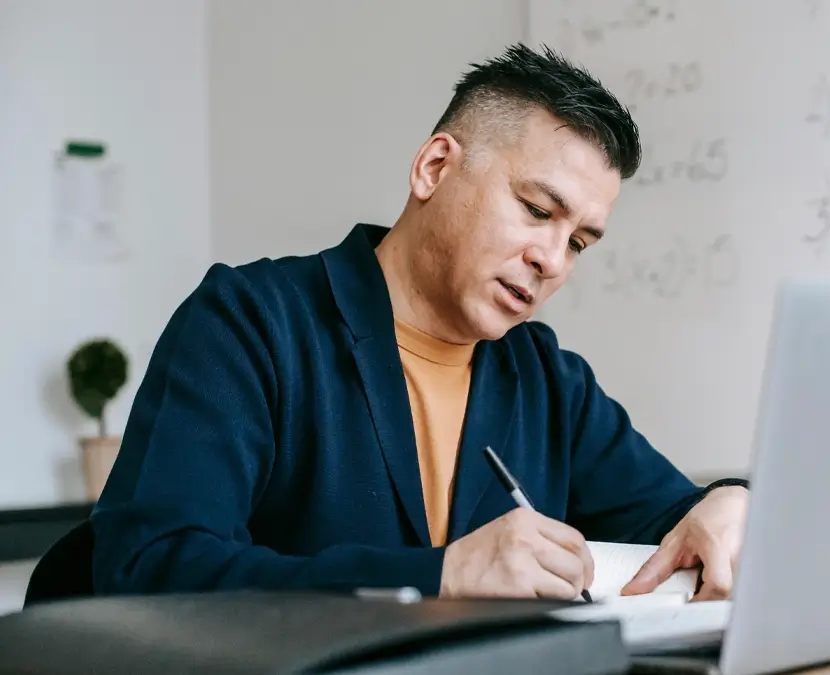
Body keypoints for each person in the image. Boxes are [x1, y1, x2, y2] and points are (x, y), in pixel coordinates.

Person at [89, 43, 750, 602]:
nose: (551, 260)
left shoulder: (547, 378)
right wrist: (440, 576)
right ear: (435, 168)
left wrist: (727, 501)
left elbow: (676, 518)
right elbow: (150, 566)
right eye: (536, 210)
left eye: (578, 242)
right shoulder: (251, 323)